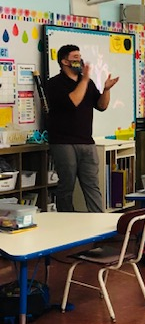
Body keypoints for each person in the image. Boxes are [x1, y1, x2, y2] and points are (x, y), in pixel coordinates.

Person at [46, 44, 119, 212]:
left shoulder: (88, 82)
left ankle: (98, 222)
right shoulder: (54, 84)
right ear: (64, 62)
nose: (80, 61)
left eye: (80, 57)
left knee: (92, 185)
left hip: (87, 141)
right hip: (63, 143)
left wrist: (106, 90)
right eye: (75, 58)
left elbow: (101, 106)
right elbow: (73, 102)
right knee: (66, 186)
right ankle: (67, 223)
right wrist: (85, 79)